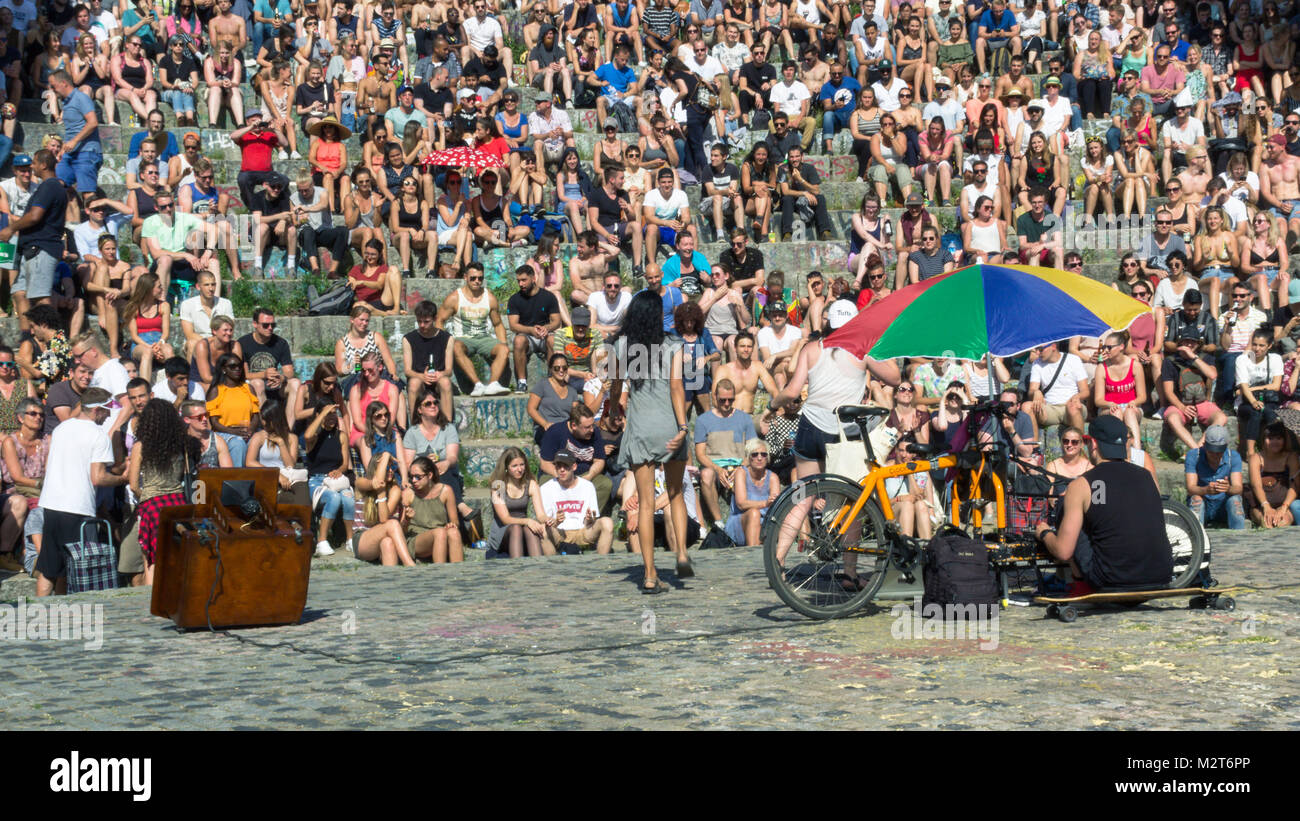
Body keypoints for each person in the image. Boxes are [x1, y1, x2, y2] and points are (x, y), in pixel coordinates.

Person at [608, 290, 691, 592]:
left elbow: (616, 386)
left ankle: (650, 573)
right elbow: (677, 387)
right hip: (669, 424)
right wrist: (683, 425)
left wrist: (614, 407)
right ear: (657, 315)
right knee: (676, 493)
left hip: (641, 427)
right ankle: (681, 552)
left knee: (644, 505)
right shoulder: (673, 344)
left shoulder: (621, 345)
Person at [1035, 416, 1174, 595]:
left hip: (1111, 581)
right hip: (1160, 576)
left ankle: (1079, 586)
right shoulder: (1147, 477)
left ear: (1092, 444)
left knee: (1065, 505)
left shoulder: (1083, 484)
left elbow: (1063, 552)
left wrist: (1045, 533)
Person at [34, 387, 126, 596]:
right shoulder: (98, 436)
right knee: (80, 568)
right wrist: (124, 478)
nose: (110, 414)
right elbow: (99, 477)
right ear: (97, 410)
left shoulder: (62, 429)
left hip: (52, 504)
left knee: (50, 568)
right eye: (108, 409)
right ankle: (78, 614)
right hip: (77, 508)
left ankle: (45, 614)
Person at [123, 398, 196, 586]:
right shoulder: (182, 444)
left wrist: (145, 497)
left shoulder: (140, 446)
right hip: (178, 504)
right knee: (178, 554)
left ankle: (152, 600)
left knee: (151, 558)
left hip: (152, 505)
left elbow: (133, 485)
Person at [0, 150, 66, 320]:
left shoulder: (50, 185)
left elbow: (35, 215)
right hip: (30, 249)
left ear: (43, 165)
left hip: (42, 247)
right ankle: (27, 338)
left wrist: (11, 228)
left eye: (34, 163)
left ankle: (57, 343)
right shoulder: (47, 186)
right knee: (19, 292)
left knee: (41, 298)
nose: (32, 167)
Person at [437, 265, 510, 396]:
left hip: (484, 338)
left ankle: (493, 384)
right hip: (463, 339)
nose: (477, 281)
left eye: (480, 278)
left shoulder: (489, 297)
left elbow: (498, 324)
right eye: (473, 278)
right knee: (456, 346)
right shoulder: (455, 298)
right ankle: (478, 385)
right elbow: (440, 320)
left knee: (504, 349)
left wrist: (503, 343)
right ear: (465, 278)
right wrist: (443, 344)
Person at [538, 449, 613, 555]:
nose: (562, 470)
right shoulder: (546, 488)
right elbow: (546, 521)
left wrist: (590, 519)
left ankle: (602, 563)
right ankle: (552, 566)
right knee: (543, 529)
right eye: (558, 466)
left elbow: (589, 522)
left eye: (566, 466)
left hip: (583, 531)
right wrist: (556, 521)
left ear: (574, 467)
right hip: (560, 533)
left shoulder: (587, 486)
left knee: (607, 522)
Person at [506, 265, 562, 394]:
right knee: (518, 340)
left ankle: (552, 379)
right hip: (527, 335)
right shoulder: (515, 299)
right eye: (518, 281)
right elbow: (513, 325)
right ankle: (521, 382)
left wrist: (546, 328)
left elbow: (556, 321)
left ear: (533, 278)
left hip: (545, 334)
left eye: (524, 280)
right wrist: (531, 330)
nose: (521, 284)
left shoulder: (548, 297)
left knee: (553, 340)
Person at [487, 446, 549, 559]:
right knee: (516, 528)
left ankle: (539, 567)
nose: (519, 469)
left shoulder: (531, 484)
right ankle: (517, 567)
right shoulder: (497, 486)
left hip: (523, 528)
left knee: (530, 529)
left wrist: (548, 520)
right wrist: (527, 521)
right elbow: (505, 518)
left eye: (522, 465)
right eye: (514, 466)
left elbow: (540, 515)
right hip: (503, 531)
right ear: (506, 467)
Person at [1184, 424, 1246, 530]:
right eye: (1211, 451)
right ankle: (1196, 536)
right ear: (1204, 445)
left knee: (1235, 501)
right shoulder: (1193, 456)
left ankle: (1239, 535)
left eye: (1219, 452)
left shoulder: (1233, 456)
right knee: (1196, 499)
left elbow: (1238, 488)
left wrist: (1228, 488)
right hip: (1204, 501)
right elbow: (1191, 488)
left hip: (1223, 504)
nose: (1215, 455)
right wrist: (1205, 490)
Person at [1235, 328, 1284, 459]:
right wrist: (1253, 401)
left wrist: (1253, 389)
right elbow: (1243, 386)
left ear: (1269, 346)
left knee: (1269, 412)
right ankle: (1250, 452)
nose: (1257, 349)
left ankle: (1271, 450)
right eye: (1254, 344)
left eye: (1262, 345)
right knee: (1256, 412)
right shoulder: (1242, 360)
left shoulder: (1275, 359)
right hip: (1246, 402)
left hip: (1268, 400)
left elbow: (1276, 386)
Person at [1028, 340, 1090, 435]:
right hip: (1050, 408)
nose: (1037, 353)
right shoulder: (1037, 364)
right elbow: (1032, 390)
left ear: (1053, 346)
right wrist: (1036, 392)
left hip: (1071, 406)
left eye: (1040, 349)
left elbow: (1085, 391)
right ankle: (1034, 447)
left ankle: (1079, 446)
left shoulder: (1073, 360)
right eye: (1036, 349)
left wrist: (1076, 397)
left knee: (1073, 407)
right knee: (1026, 406)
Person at [1247, 422, 1300, 529]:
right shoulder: (1256, 458)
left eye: (1278, 438)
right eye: (1270, 438)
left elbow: (1294, 486)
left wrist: (1284, 507)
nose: (1274, 442)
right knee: (1267, 524)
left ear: (1284, 440)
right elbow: (1256, 485)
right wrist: (1266, 506)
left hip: (1285, 503)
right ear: (1263, 439)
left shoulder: (1291, 457)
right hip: (1261, 504)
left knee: (1281, 523)